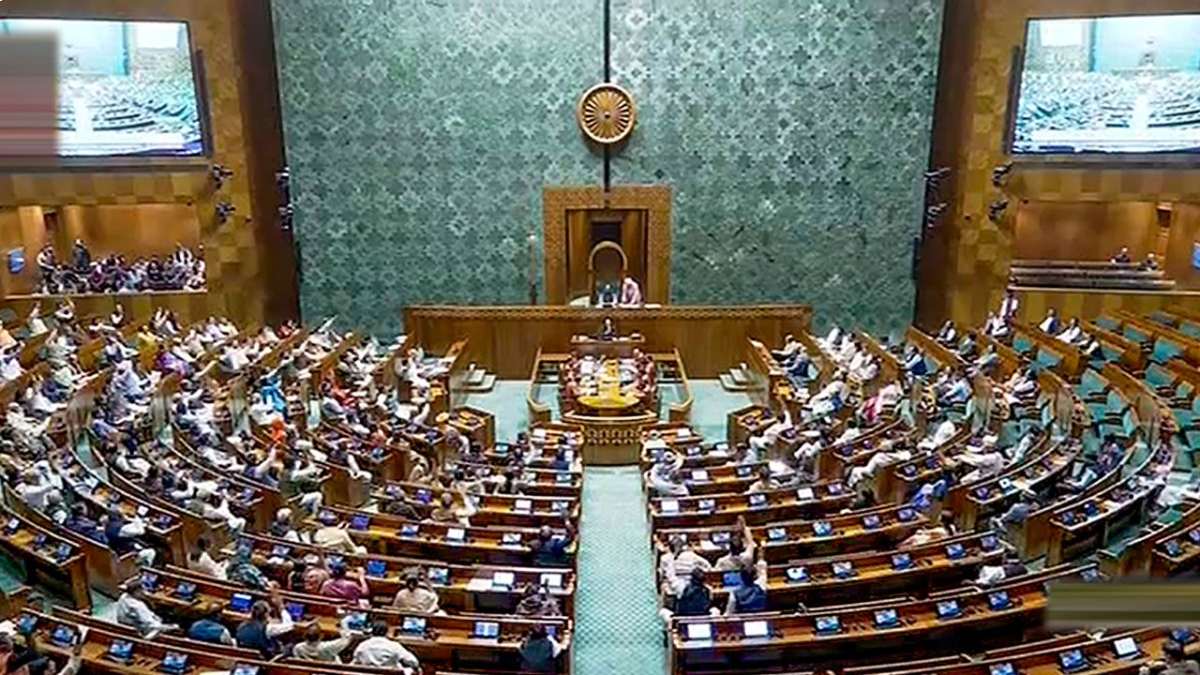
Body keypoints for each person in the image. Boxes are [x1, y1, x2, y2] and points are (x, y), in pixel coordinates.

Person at [352, 621, 421, 672]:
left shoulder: (362, 645)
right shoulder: (394, 646)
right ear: (386, 632)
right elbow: (414, 662)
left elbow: (355, 661)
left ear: (371, 632)